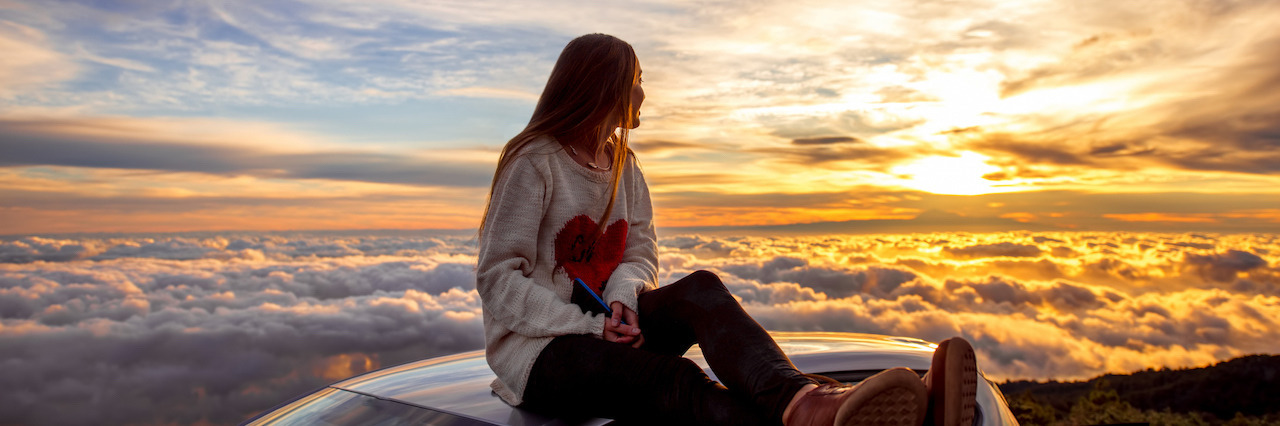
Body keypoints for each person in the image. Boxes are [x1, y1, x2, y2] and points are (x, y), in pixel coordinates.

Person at [476, 33, 978, 426]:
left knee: (702, 290)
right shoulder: (534, 161)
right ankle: (857, 416)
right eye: (636, 79)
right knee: (672, 380)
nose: (642, 92)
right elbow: (498, 276)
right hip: (539, 353)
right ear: (603, 83)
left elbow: (641, 248)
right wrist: (588, 325)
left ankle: (807, 403)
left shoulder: (624, 164)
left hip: (612, 326)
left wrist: (626, 298)